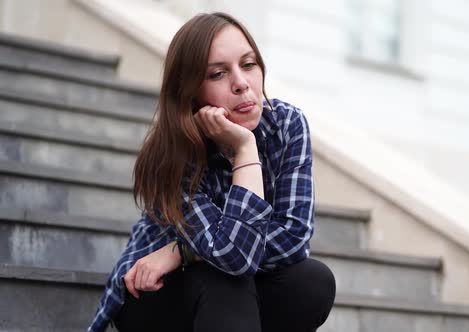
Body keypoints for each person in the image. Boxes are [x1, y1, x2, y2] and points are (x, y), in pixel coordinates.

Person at [87, 12, 336, 332]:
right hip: (155, 292)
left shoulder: (287, 125)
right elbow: (233, 255)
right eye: (218, 74)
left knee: (311, 282)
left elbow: (293, 236)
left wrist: (183, 252)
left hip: (231, 287)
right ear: (191, 92)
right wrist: (246, 149)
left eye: (248, 65)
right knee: (225, 279)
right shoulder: (174, 150)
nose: (242, 83)